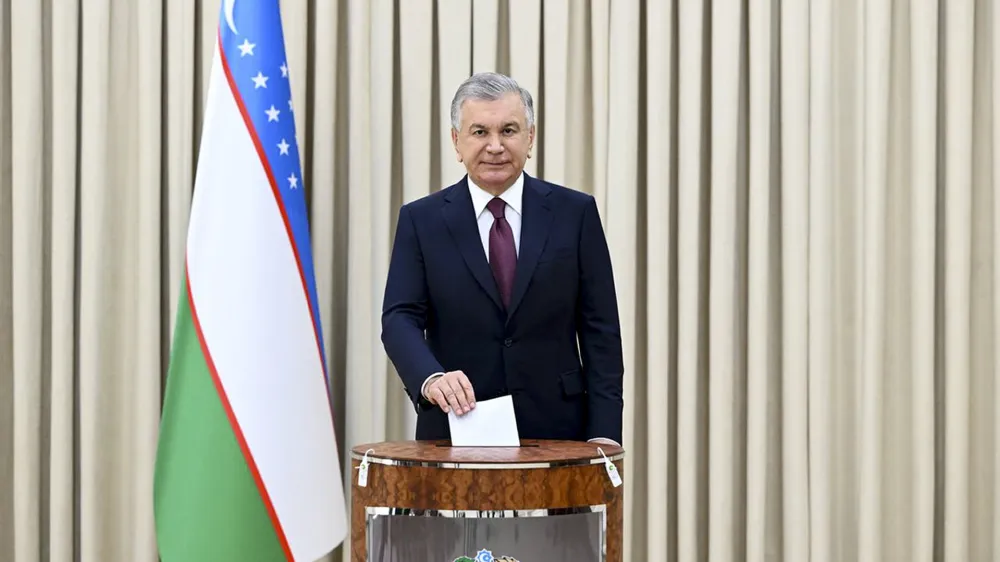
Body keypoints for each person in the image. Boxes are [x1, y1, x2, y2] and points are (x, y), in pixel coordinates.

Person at [380, 72, 623, 446]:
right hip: (456, 428)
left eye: (508, 130)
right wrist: (430, 378)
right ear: (456, 141)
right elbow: (399, 318)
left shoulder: (575, 213)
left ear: (530, 137)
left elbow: (600, 330)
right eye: (479, 132)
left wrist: (604, 434)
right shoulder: (421, 220)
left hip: (560, 433)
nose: (495, 146)